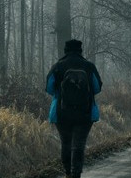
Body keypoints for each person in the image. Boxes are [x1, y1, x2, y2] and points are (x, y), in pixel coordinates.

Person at [46, 39, 102, 178]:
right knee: (79, 144)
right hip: (85, 112)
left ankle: (67, 173)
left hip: (62, 112)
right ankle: (76, 173)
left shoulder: (58, 66)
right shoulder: (89, 66)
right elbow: (97, 87)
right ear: (80, 50)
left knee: (66, 142)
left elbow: (49, 88)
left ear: (65, 50)